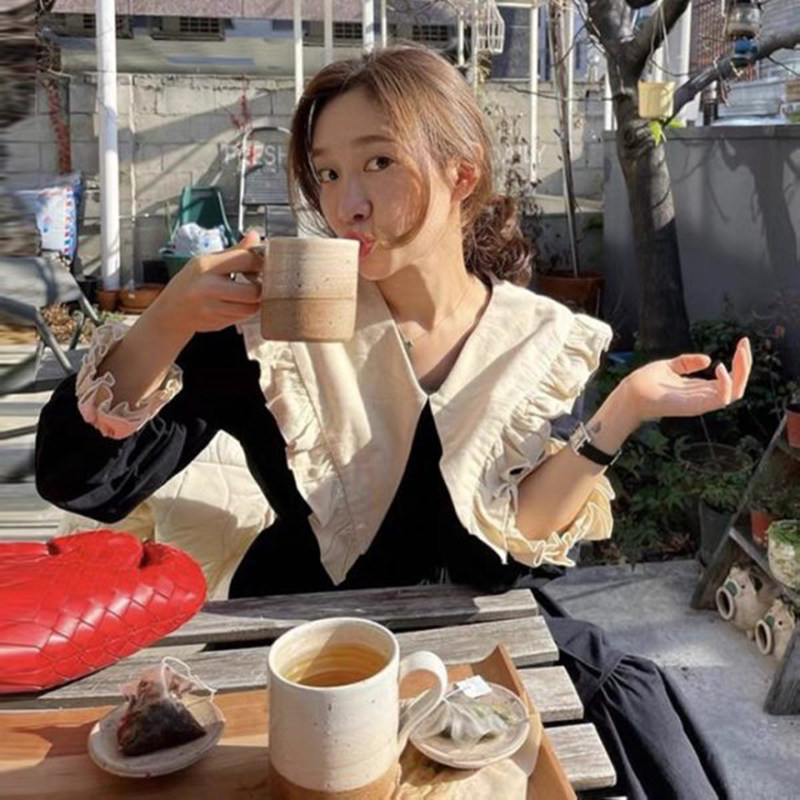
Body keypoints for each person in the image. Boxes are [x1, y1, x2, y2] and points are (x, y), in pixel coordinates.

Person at [36, 45, 750, 798]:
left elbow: (512, 550)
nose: (347, 204)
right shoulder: (279, 329)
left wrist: (625, 408)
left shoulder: (538, 340)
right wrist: (171, 318)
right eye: (327, 173)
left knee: (624, 735)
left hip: (471, 649)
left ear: (461, 173)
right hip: (303, 646)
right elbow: (81, 480)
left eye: (377, 162)